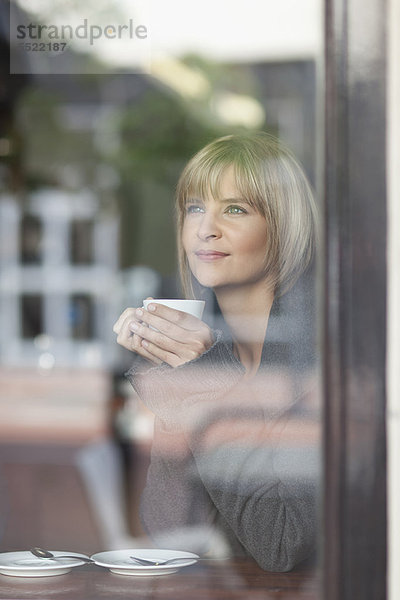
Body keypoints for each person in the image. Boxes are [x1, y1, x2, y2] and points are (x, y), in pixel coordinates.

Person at [113, 132, 320, 572]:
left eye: (235, 209)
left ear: (283, 227)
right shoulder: (222, 350)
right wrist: (176, 383)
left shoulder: (313, 353)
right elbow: (172, 528)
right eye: (195, 208)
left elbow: (281, 544)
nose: (206, 227)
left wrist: (205, 379)